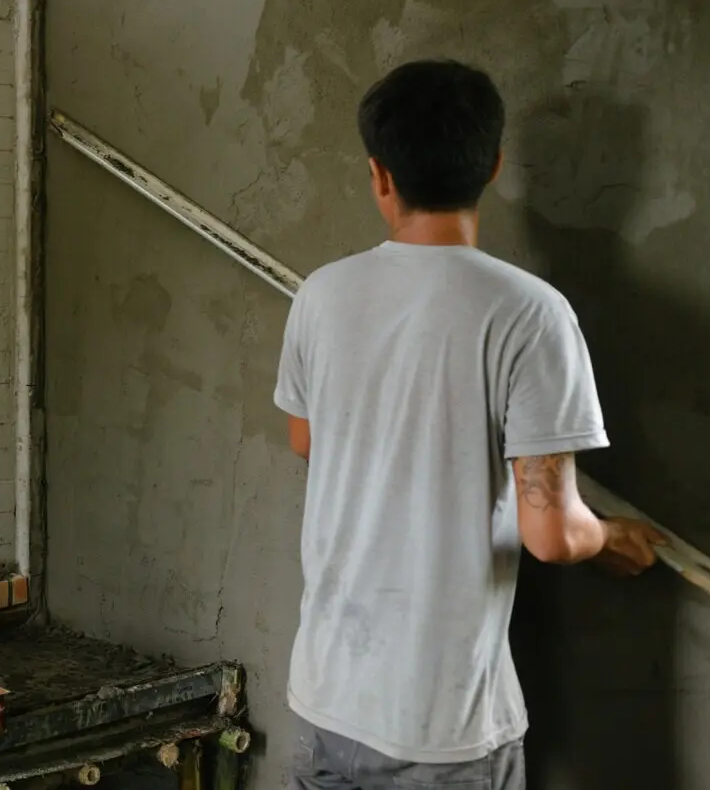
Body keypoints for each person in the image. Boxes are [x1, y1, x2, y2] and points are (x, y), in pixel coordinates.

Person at [274, 59, 667, 790]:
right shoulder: (530, 314)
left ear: (379, 175)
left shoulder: (320, 295)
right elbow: (553, 535)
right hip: (444, 726)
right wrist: (612, 537)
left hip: (326, 701)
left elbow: (306, 440)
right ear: (491, 166)